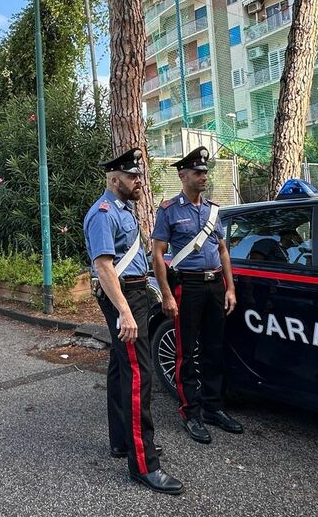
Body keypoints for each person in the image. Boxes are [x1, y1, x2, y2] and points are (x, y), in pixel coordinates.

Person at [83, 147, 183, 496]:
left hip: (136, 293)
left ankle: (123, 442)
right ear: (114, 179)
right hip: (124, 298)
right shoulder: (104, 213)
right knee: (139, 374)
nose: (138, 180)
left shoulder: (124, 210)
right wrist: (125, 310)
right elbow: (104, 266)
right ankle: (144, 465)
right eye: (132, 176)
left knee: (119, 368)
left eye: (139, 175)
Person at [151, 146, 244, 445]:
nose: (204, 176)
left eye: (205, 172)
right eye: (197, 172)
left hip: (214, 284)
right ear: (183, 175)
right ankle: (191, 412)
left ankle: (214, 408)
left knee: (214, 348)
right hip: (187, 287)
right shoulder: (168, 211)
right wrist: (166, 294)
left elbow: (222, 250)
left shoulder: (212, 210)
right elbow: (158, 253)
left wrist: (229, 287)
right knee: (186, 352)